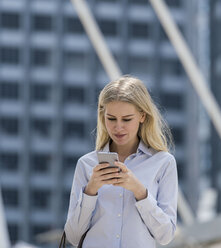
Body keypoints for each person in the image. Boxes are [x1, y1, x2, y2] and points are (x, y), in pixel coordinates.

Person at [64, 75, 178, 247]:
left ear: (142, 116)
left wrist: (139, 191)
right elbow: (72, 237)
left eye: (126, 119)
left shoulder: (163, 163)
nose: (118, 127)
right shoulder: (86, 164)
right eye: (111, 119)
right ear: (103, 117)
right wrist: (91, 190)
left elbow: (166, 235)